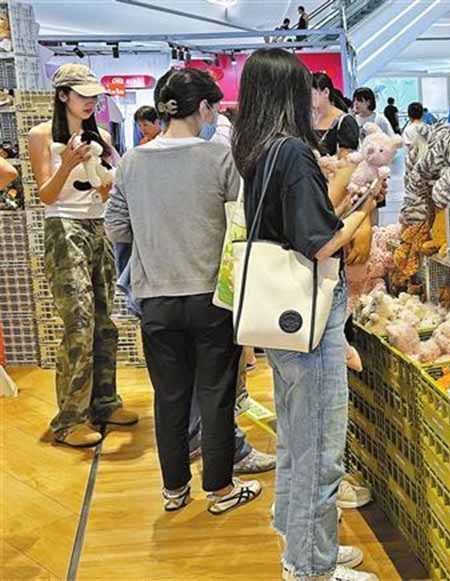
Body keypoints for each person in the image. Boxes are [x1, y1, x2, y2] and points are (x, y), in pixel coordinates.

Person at [232, 48, 380, 581]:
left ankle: (299, 539)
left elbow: (298, 228)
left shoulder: (257, 148)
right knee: (319, 446)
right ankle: (310, 566)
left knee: (298, 438)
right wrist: (365, 208)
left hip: (281, 316)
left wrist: (339, 206)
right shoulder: (292, 151)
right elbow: (320, 244)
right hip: (309, 318)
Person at [107, 68, 263, 514]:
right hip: (211, 297)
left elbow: (115, 225)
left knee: (169, 397)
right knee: (215, 395)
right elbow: (242, 223)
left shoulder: (132, 162)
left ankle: (174, 490)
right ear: (203, 108)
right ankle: (220, 490)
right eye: (212, 106)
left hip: (156, 298)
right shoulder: (220, 158)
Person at [26, 63, 138, 448]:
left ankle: (104, 401)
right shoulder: (41, 135)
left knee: (105, 320)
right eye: (82, 94)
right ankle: (70, 418)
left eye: (93, 95)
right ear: (62, 96)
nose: (89, 102)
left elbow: (107, 190)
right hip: (64, 228)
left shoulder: (101, 135)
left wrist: (105, 184)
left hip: (98, 225)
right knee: (79, 322)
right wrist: (69, 164)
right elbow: (45, 195)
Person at [313, 72, 359, 156]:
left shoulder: (345, 121)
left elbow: (348, 161)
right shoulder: (307, 120)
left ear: (326, 92)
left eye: (312, 93)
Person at [402, 101, 429, 169]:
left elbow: (407, 148)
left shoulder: (408, 130)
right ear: (422, 114)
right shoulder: (428, 127)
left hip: (414, 163)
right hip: (427, 162)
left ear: (409, 115)